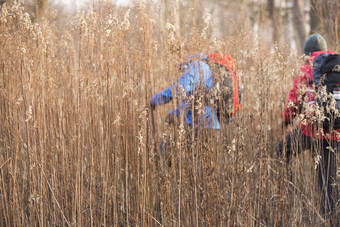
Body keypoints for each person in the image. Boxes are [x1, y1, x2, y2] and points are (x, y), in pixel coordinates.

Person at [279, 33, 339, 219]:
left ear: (308, 52)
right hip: (336, 131)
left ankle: (286, 194)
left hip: (311, 129)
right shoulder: (336, 65)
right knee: (328, 185)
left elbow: (294, 101)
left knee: (283, 149)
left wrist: (286, 122)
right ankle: (331, 219)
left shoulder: (307, 69)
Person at [150, 52, 241, 130]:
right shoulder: (207, 68)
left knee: (165, 147)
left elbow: (177, 90)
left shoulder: (199, 66)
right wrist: (173, 113)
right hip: (213, 124)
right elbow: (191, 99)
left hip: (203, 124)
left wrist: (153, 101)